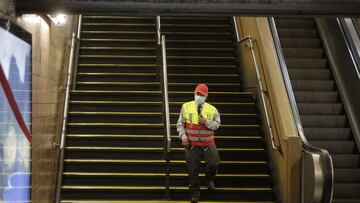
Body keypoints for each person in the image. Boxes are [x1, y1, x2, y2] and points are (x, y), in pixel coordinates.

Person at [177, 83, 221, 203]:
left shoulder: (213, 109)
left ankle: (208, 179)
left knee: (214, 164)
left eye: (201, 94)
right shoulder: (186, 106)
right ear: (194, 93)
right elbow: (180, 124)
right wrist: (183, 136)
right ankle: (195, 193)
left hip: (208, 143)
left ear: (206, 96)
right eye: (197, 94)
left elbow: (217, 125)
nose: (199, 96)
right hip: (191, 144)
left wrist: (207, 122)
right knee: (192, 170)